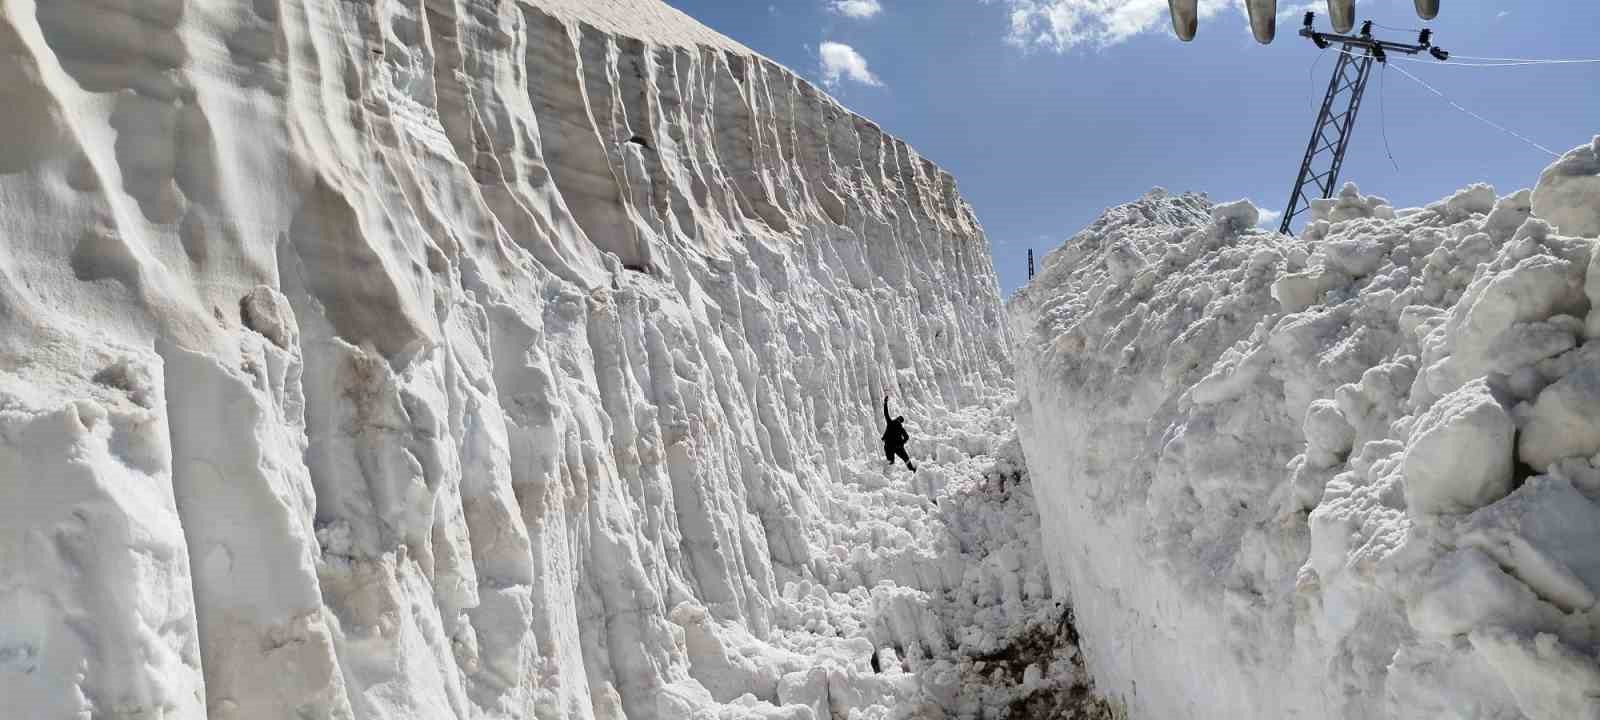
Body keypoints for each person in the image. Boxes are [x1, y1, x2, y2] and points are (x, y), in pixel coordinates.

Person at [882, 395, 916, 471]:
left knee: (891, 462)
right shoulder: (901, 428)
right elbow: (907, 437)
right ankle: (912, 470)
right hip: (898, 447)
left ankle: (888, 475)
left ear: (897, 419)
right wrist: (901, 443)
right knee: (906, 458)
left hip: (888, 446)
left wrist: (885, 402)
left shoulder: (890, 423)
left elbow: (886, 413)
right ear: (901, 422)